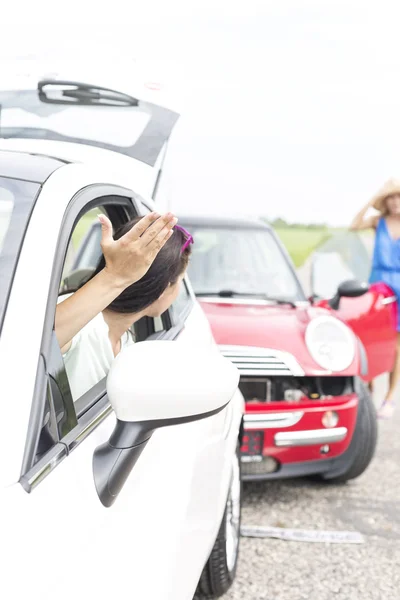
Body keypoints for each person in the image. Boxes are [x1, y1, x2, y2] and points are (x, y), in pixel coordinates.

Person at [55, 212, 193, 399]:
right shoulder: (80, 324)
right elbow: (30, 343)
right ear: (162, 290)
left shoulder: (126, 343)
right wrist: (114, 276)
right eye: (181, 281)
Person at [350, 178, 400, 418]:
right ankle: (370, 391)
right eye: (390, 197)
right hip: (378, 286)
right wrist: (372, 199)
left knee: (397, 345)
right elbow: (354, 225)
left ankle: (390, 397)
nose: (395, 202)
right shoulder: (378, 222)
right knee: (371, 340)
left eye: (398, 197)